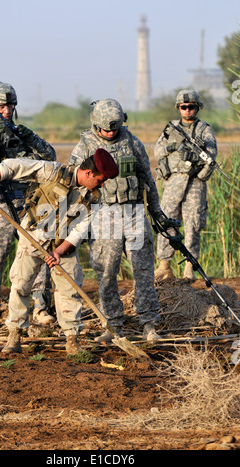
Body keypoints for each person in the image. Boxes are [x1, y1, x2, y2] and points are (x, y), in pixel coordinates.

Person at [0, 148, 119, 355]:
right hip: (34, 235)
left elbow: (80, 230)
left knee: (69, 289)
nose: (102, 184)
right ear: (88, 173)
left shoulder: (94, 197)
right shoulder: (52, 172)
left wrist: (59, 252)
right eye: (101, 179)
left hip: (63, 244)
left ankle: (72, 341)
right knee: (21, 284)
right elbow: (9, 166)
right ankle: (14, 336)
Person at [69, 98, 167, 342]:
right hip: (103, 215)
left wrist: (156, 211)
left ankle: (149, 324)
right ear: (95, 124)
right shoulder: (85, 145)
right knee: (106, 271)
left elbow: (148, 177)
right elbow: (73, 181)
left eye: (115, 127)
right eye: (106, 129)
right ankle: (112, 326)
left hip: (134, 212)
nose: (111, 132)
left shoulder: (131, 141)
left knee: (143, 269)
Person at [0, 82, 56, 331]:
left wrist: (31, 138)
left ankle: (40, 307)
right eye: (2, 106)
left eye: (10, 106)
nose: (6, 111)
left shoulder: (21, 134)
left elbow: (50, 159)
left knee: (37, 251)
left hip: (26, 201)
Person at [154, 89, 217, 280]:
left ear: (197, 108)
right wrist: (172, 147)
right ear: (178, 108)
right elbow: (157, 151)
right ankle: (164, 265)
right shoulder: (171, 128)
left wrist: (200, 172)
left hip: (194, 183)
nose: (187, 110)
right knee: (167, 222)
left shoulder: (204, 130)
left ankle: (190, 266)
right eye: (184, 107)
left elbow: (211, 158)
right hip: (173, 182)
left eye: (191, 107)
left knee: (193, 225)